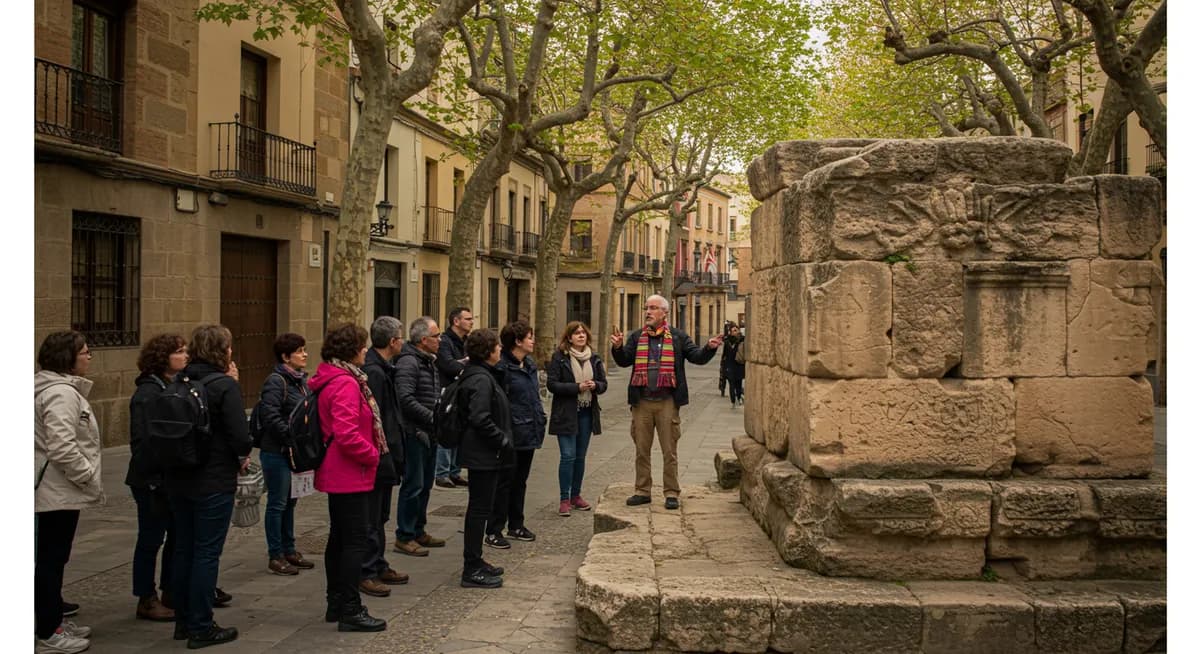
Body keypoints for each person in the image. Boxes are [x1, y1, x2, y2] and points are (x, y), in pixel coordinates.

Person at [166, 324, 252, 648]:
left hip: (179, 477)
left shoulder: (181, 380)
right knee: (206, 553)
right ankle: (202, 625)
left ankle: (183, 621)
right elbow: (240, 437)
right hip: (213, 479)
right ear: (222, 350)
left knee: (183, 549)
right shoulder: (223, 386)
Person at [309, 324, 387, 632]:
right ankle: (350, 609)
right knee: (353, 541)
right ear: (350, 350)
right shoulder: (345, 383)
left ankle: (337, 602)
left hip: (341, 471)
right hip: (348, 472)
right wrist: (372, 455)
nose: (366, 350)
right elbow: (346, 433)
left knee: (340, 538)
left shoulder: (336, 377)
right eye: (362, 345)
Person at [610, 294, 722, 510]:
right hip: (641, 401)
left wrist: (709, 347)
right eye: (646, 308)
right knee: (641, 450)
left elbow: (696, 356)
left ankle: (671, 492)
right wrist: (617, 347)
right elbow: (624, 361)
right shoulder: (636, 337)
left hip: (667, 402)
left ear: (665, 312)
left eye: (653, 308)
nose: (648, 312)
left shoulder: (678, 337)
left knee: (669, 451)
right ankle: (642, 491)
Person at [35, 331, 103, 654]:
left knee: (53, 557)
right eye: (85, 352)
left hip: (57, 489)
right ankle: (48, 630)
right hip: (56, 491)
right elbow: (63, 446)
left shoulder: (55, 389)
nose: (89, 357)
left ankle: (52, 619)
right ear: (68, 358)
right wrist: (87, 475)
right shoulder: (60, 394)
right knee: (51, 559)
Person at [126, 334, 187, 623]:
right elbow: (144, 441)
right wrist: (154, 475)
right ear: (163, 357)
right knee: (151, 539)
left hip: (171, 478)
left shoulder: (173, 386)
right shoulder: (148, 393)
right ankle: (145, 597)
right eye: (179, 351)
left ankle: (171, 590)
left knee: (176, 535)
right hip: (151, 480)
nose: (185, 355)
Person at [457, 329, 512, 589]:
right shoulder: (479, 379)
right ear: (487, 351)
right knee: (479, 510)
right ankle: (471, 567)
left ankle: (476, 561)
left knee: (481, 508)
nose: (500, 349)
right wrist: (500, 439)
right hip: (483, 454)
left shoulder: (482, 374)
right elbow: (479, 417)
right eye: (497, 346)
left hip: (484, 453)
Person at [257, 333, 316, 576]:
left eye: (304, 349)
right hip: (277, 451)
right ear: (285, 356)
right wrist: (291, 436)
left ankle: (289, 548)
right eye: (300, 351)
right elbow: (270, 415)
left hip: (294, 452)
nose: (305, 354)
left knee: (291, 501)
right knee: (277, 503)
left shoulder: (300, 381)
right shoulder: (276, 381)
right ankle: (276, 554)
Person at [485, 321, 547, 547]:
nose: (533, 341)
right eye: (529, 337)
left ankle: (516, 524)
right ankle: (494, 530)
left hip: (529, 431)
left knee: (520, 481)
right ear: (517, 342)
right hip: (510, 433)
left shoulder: (528, 365)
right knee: (504, 483)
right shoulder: (502, 369)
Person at [359, 317, 407, 597]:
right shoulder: (375, 372)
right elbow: (376, 418)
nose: (402, 341)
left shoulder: (383, 368)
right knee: (373, 516)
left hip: (388, 450)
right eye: (400, 337)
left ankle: (378, 563)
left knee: (381, 515)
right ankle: (368, 569)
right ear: (392, 342)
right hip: (380, 453)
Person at [393, 316, 447, 557]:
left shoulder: (429, 362)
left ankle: (418, 529)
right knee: (413, 485)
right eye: (436, 336)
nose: (440, 340)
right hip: (415, 432)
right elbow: (405, 399)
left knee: (425, 484)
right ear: (423, 340)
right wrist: (431, 417)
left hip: (430, 432)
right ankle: (404, 535)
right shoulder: (409, 363)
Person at [546, 321, 607, 517]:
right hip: (566, 413)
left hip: (587, 412)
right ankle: (564, 499)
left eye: (583, 333)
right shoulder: (560, 357)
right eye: (576, 333)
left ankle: (576, 496)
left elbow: (603, 384)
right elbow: (552, 385)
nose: (581, 335)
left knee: (580, 457)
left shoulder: (594, 357)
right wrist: (576, 387)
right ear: (569, 337)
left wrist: (594, 385)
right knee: (567, 456)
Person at [434, 306, 474, 489]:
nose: (471, 322)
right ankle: (442, 473)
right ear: (456, 321)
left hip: (461, 389)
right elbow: (448, 365)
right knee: (447, 428)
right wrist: (465, 365)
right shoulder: (445, 341)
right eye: (468, 318)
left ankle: (454, 471)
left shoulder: (466, 341)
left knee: (459, 428)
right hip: (446, 390)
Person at [721, 324, 746, 408]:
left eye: (736, 330)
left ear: (738, 331)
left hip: (739, 366)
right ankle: (733, 401)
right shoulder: (727, 342)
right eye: (733, 331)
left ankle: (739, 397)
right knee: (731, 384)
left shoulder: (742, 340)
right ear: (730, 332)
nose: (735, 332)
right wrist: (723, 366)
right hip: (729, 366)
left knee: (738, 384)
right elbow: (724, 355)